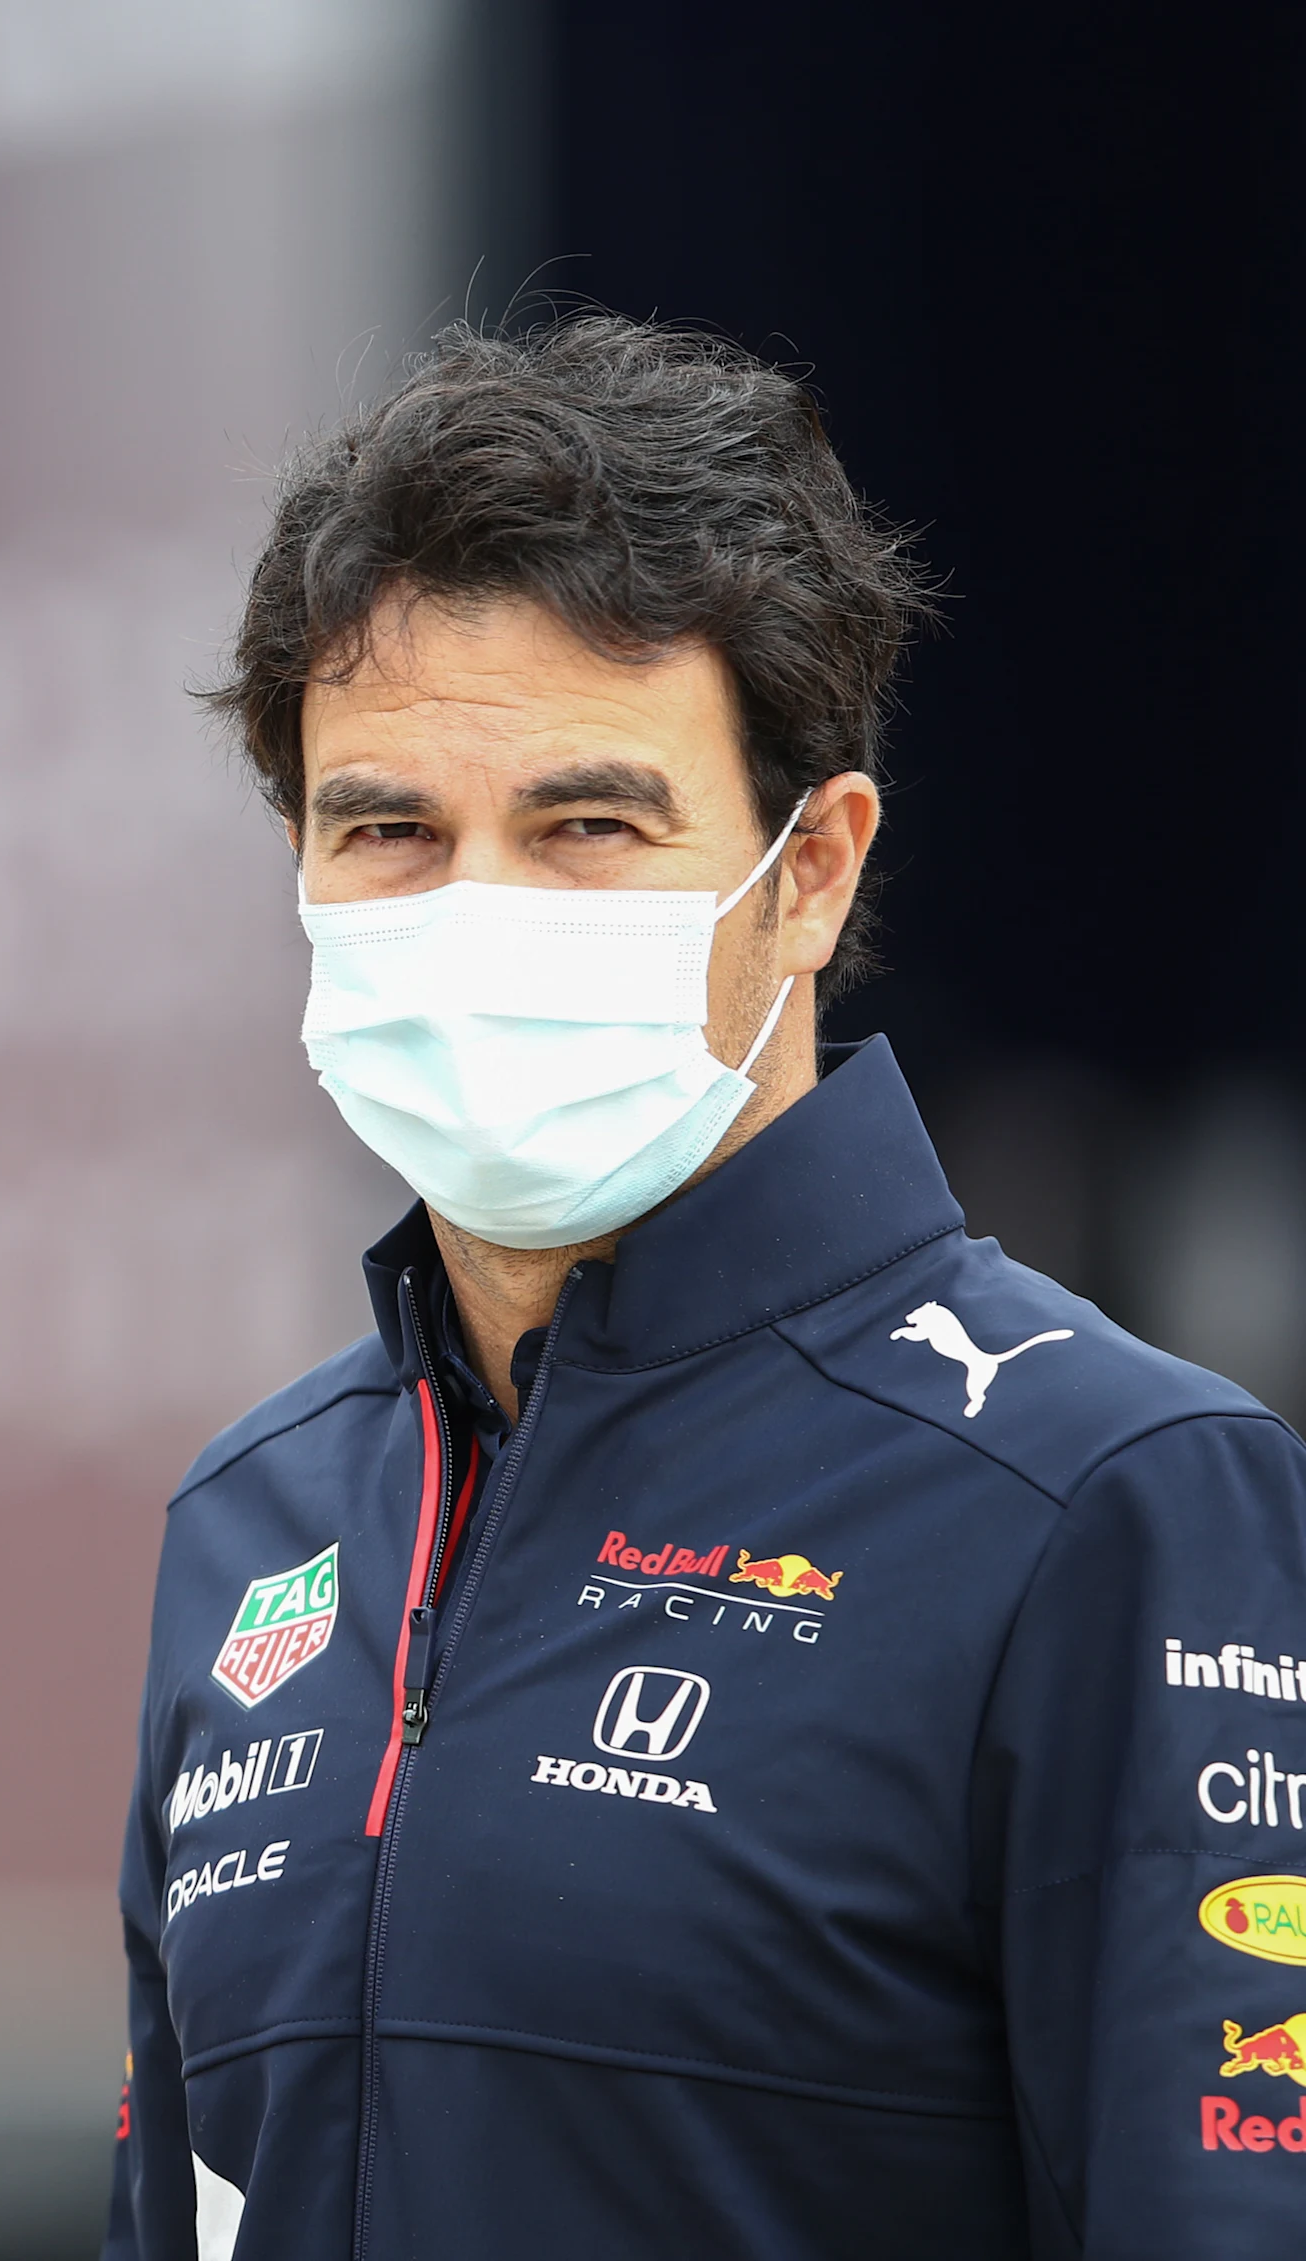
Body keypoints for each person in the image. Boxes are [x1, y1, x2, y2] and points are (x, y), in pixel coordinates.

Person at [106, 316, 1306, 2259]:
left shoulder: (1111, 1494)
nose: (474, 910)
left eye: (586, 823)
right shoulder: (258, 1517)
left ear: (812, 868)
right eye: (387, 828)